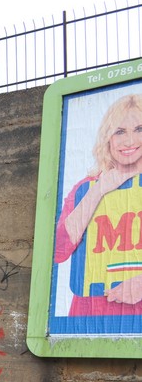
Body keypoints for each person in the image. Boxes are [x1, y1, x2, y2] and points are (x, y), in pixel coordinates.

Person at [54, 93, 142, 316]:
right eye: (120, 131)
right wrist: (99, 190)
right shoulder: (86, 188)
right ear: (108, 138)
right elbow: (58, 250)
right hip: (89, 316)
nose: (130, 140)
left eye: (139, 129)